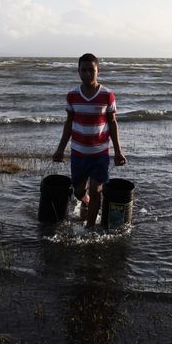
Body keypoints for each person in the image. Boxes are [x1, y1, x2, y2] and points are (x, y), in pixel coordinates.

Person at [53, 53, 127, 226]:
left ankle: (89, 228)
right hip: (78, 153)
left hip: (100, 153)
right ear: (78, 71)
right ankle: (85, 201)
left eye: (91, 70)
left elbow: (112, 123)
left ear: (98, 71)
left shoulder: (107, 95)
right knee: (79, 191)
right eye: (83, 70)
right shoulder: (72, 95)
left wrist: (118, 151)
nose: (87, 74)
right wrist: (60, 149)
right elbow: (69, 123)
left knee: (96, 190)